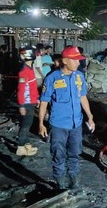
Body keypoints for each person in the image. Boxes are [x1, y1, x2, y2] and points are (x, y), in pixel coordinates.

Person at [38, 46, 95, 190]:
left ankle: (74, 182)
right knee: (58, 155)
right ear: (64, 61)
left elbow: (83, 97)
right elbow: (44, 101)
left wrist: (90, 116)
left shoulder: (79, 77)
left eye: (79, 60)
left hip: (76, 123)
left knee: (75, 154)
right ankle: (60, 183)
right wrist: (40, 123)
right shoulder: (52, 78)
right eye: (75, 60)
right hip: (58, 124)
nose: (78, 63)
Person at [16, 46, 40, 157]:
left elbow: (32, 86)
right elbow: (21, 90)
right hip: (26, 103)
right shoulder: (24, 71)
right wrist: (21, 105)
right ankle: (20, 147)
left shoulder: (29, 68)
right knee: (25, 125)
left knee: (28, 124)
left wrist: (37, 98)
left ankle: (26, 144)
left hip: (31, 101)